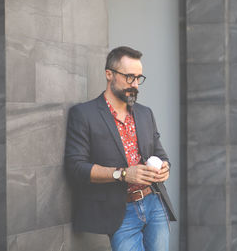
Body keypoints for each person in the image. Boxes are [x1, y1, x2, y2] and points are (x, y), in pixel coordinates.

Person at [65, 46, 176, 251]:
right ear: (109, 74)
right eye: (129, 77)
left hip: (155, 203)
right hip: (119, 211)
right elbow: (76, 167)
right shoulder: (84, 114)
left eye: (138, 78)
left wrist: (165, 167)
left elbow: (159, 153)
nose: (135, 85)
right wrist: (123, 174)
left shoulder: (145, 113)